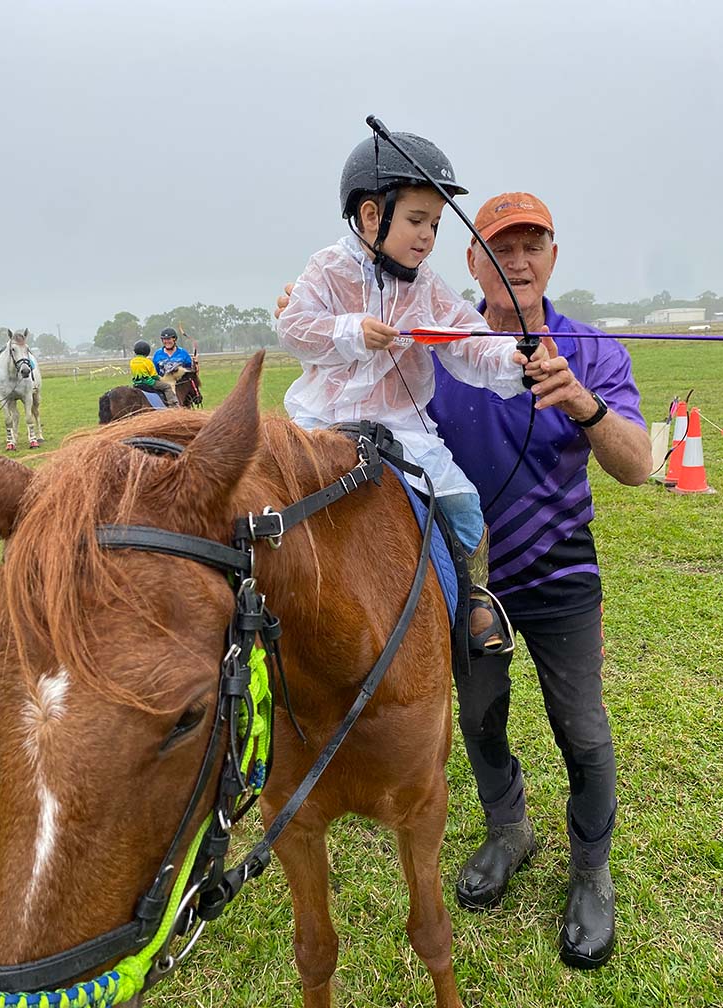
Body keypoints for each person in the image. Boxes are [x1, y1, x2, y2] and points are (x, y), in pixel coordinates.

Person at [428, 192, 652, 970]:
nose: (516, 260)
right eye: (499, 247)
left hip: (561, 569)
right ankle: (509, 830)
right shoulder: (439, 343)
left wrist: (584, 404)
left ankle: (592, 873)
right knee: (479, 719)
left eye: (532, 245)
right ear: (472, 261)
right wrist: (311, 310)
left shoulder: (591, 349)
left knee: (583, 733)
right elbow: (354, 367)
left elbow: (637, 466)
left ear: (553, 256)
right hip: (470, 578)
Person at [277, 133, 560, 655]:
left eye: (435, 223)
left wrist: (514, 358)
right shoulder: (326, 269)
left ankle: (474, 600)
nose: (428, 236)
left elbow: (469, 340)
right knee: (273, 501)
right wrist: (350, 331)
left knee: (463, 502)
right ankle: (269, 602)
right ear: (370, 216)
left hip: (404, 429)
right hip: (322, 421)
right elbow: (294, 327)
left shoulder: (427, 286)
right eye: (416, 220)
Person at [129, 340, 179, 407]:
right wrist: (161, 379)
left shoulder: (132, 361)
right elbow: (154, 375)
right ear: (147, 351)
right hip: (149, 383)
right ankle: (172, 405)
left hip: (137, 384)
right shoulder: (148, 362)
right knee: (167, 387)